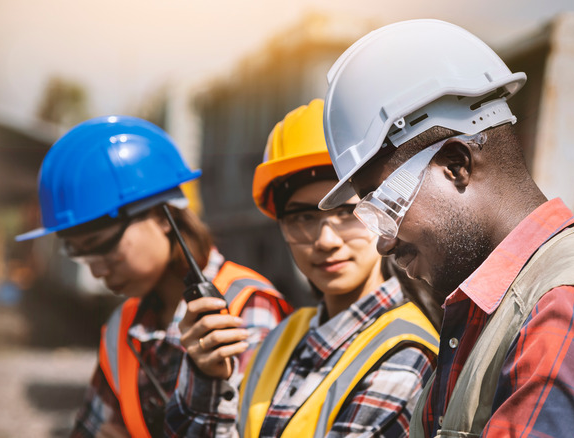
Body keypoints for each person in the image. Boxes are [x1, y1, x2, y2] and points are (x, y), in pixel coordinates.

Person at [317, 19, 574, 438]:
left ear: (456, 165)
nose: (383, 242)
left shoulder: (562, 311)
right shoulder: (493, 312)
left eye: (386, 204)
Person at [165, 99, 440, 437]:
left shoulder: (405, 354)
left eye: (347, 212)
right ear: (281, 227)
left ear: (383, 212)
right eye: (303, 217)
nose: (325, 240)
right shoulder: (282, 338)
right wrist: (206, 378)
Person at [16, 116, 292, 438]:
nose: (97, 270)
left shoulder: (246, 308)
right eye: (81, 255)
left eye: (103, 247)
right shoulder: (123, 328)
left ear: (163, 215)